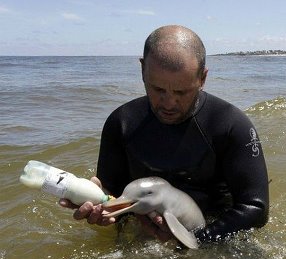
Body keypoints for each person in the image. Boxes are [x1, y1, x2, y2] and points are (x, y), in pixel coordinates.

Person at [60, 25, 269, 243]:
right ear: (142, 70)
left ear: (202, 78)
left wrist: (197, 240)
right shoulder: (121, 123)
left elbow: (256, 209)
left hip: (214, 235)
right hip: (145, 234)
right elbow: (112, 194)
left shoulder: (231, 125)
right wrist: (97, 203)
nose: (168, 103)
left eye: (181, 92)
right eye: (158, 89)